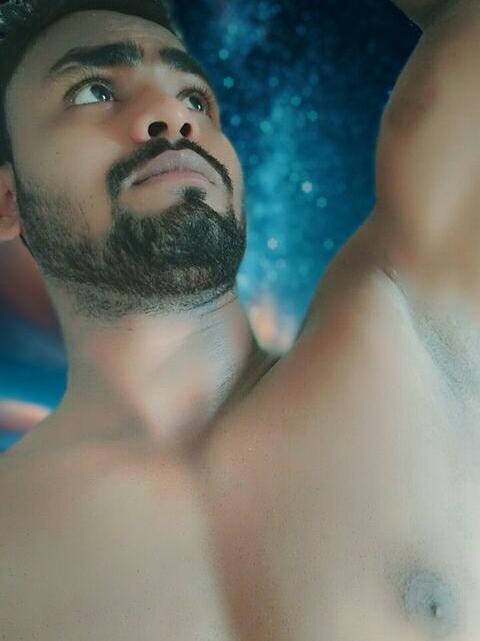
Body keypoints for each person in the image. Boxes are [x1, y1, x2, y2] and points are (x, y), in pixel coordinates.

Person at [0, 0, 478, 638]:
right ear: (8, 200)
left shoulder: (414, 325)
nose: (173, 116)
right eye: (95, 91)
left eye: (195, 99)